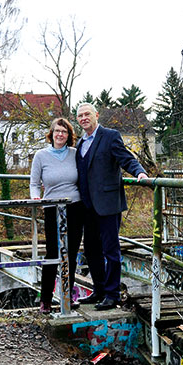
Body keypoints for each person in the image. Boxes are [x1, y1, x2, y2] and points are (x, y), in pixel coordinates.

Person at [75, 103, 149, 310]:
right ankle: (98, 290)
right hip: (87, 206)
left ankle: (112, 294)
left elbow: (126, 158)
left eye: (87, 114)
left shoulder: (110, 136)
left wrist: (139, 173)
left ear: (96, 115)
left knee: (110, 250)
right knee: (91, 250)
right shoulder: (81, 143)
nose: (83, 118)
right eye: (80, 116)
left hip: (108, 204)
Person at [30, 117, 86, 314]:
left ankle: (67, 295)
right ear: (51, 134)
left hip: (75, 207)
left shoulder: (75, 154)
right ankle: (45, 299)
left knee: (70, 253)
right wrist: (36, 198)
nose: (60, 134)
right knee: (53, 252)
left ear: (69, 135)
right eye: (57, 131)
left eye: (64, 131)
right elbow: (34, 183)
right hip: (52, 207)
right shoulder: (41, 156)